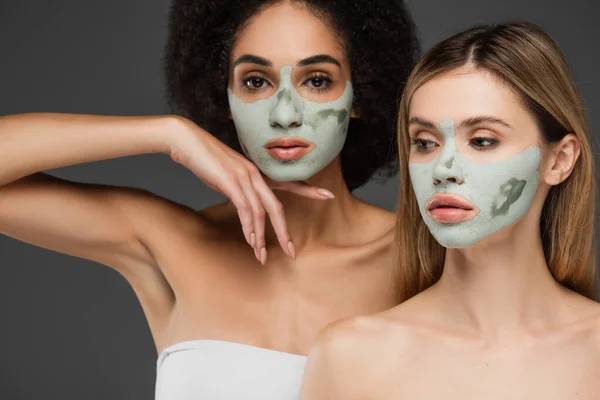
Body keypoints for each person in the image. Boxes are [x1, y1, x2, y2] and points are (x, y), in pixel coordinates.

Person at [0, 0, 419, 398]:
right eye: (256, 81)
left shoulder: (421, 259)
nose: (285, 114)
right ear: (226, 100)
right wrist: (167, 134)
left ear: (359, 93)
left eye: (316, 80)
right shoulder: (172, 241)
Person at [300, 22, 600, 399]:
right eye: (425, 143)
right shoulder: (350, 357)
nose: (443, 169)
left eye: (483, 140)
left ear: (560, 160)